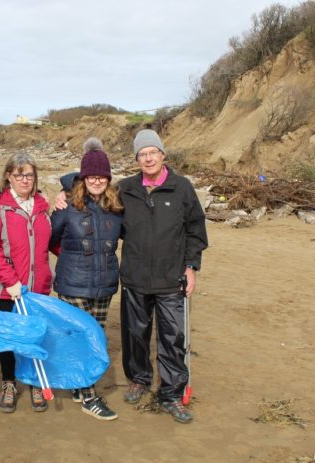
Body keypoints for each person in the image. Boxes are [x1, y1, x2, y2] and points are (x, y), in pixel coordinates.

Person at [119, 129, 208, 424]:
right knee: (135, 335)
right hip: (135, 278)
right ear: (136, 159)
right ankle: (139, 379)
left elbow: (196, 231)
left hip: (172, 280)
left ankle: (170, 394)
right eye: (142, 154)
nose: (148, 158)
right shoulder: (126, 188)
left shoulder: (181, 187)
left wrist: (191, 266)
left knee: (173, 337)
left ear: (162, 155)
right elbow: (99, 208)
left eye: (152, 152)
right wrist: (64, 197)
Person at [50, 138, 123, 421]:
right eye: (91, 175)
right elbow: (51, 239)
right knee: (84, 339)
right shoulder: (67, 204)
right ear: (83, 177)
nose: (96, 180)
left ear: (108, 178)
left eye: (101, 176)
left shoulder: (116, 206)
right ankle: (90, 397)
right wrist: (71, 259)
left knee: (96, 338)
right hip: (73, 285)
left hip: (104, 286)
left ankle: (80, 386)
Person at [0, 152, 53, 414]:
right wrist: (11, 281)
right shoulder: (0, 207)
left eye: (29, 175)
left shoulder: (44, 208)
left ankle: (34, 381)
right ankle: (9, 382)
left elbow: (51, 245)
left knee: (34, 335)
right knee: (9, 338)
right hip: (5, 290)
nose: (25, 179)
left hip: (38, 289)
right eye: (19, 174)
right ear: (9, 176)